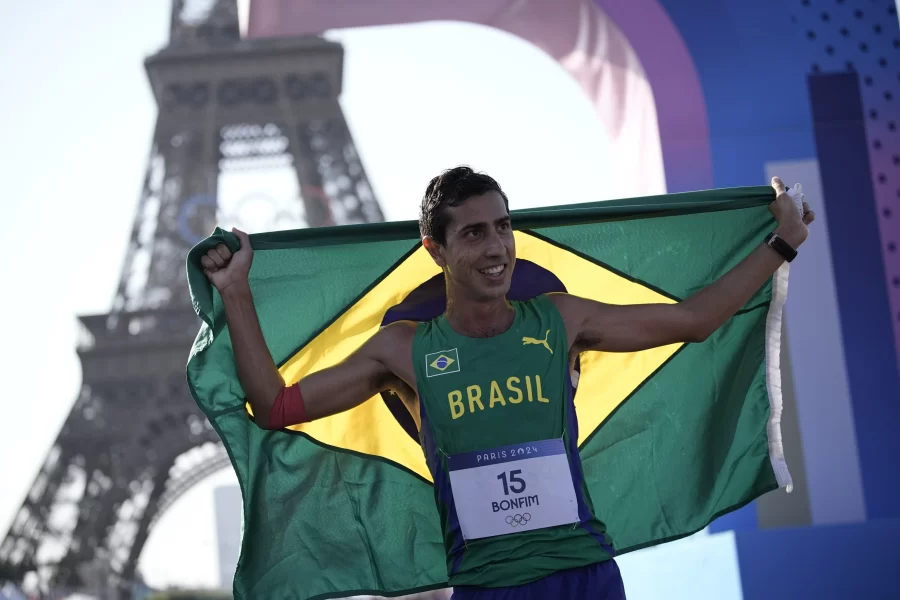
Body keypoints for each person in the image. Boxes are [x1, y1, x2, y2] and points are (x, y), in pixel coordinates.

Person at [200, 167, 815, 599]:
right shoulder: (405, 351)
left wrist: (781, 243)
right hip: (488, 588)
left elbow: (696, 320)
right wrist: (235, 293)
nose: (497, 247)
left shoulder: (560, 319)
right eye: (473, 233)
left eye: (503, 226)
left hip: (585, 576)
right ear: (434, 249)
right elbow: (276, 406)